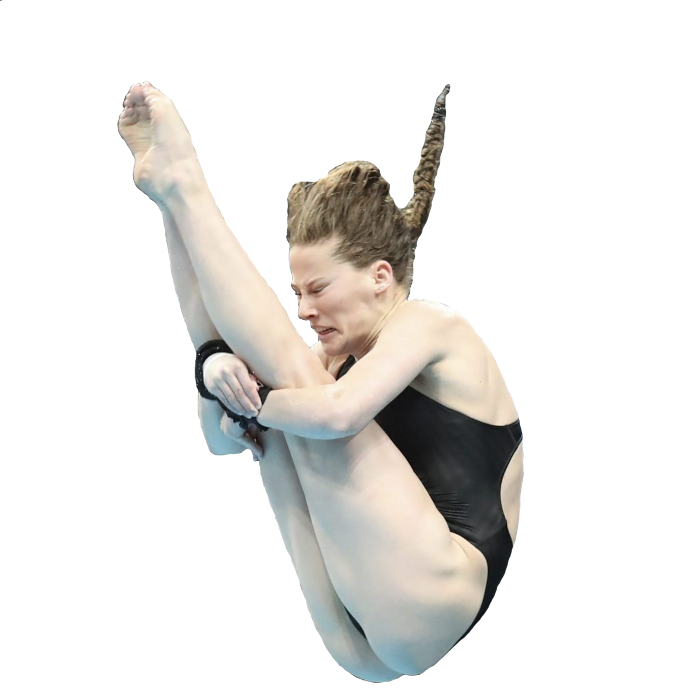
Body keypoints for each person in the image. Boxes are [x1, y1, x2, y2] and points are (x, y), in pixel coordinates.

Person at [118, 82, 523, 682]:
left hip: (435, 593)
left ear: (380, 276)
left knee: (290, 387)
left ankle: (188, 186)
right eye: (296, 292)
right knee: (271, 413)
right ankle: (172, 207)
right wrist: (214, 369)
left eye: (318, 289)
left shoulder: (432, 324)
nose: (305, 309)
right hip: (361, 638)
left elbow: (338, 415)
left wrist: (255, 396)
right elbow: (223, 442)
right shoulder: (327, 365)